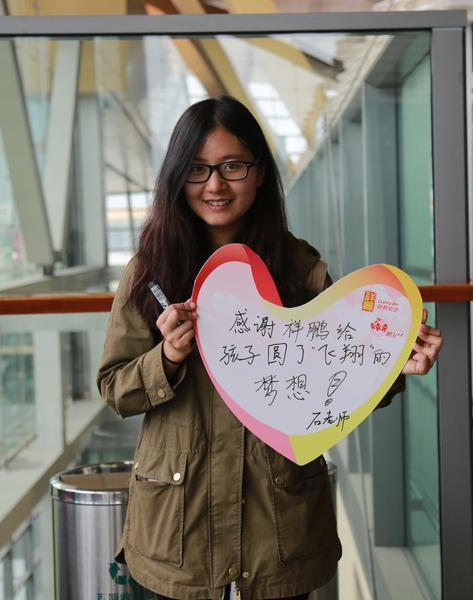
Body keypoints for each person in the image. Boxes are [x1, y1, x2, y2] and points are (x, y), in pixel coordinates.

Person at [96, 96, 443, 600]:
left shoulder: (300, 269)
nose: (215, 185)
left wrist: (393, 365)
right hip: (178, 530)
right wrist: (166, 358)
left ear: (259, 173)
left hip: (278, 527)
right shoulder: (149, 271)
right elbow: (115, 388)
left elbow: (339, 378)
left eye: (232, 166)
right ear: (176, 177)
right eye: (197, 169)